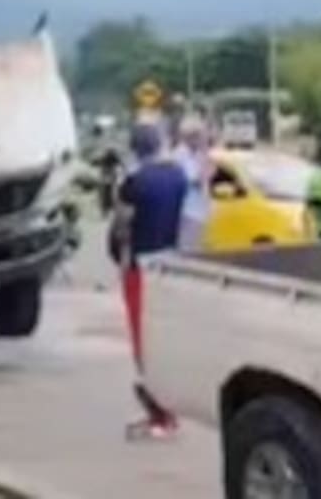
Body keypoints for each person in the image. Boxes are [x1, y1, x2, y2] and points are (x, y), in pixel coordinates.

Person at [115, 121, 187, 439]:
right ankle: (167, 408)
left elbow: (122, 227)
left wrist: (120, 256)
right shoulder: (178, 176)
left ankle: (161, 414)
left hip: (141, 267)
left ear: (134, 148)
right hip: (173, 264)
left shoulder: (133, 183)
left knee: (143, 341)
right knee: (168, 337)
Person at [172, 114, 210, 252]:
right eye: (202, 136)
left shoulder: (197, 154)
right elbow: (195, 180)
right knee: (190, 253)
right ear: (191, 137)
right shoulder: (181, 155)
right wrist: (205, 160)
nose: (205, 139)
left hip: (199, 212)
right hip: (188, 212)